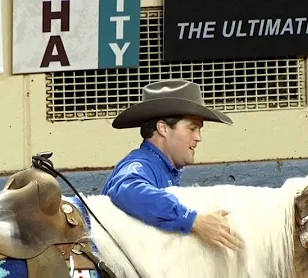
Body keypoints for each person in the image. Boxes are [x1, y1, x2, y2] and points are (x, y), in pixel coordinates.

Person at [102, 79, 244, 251]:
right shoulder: (141, 164)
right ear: (163, 128)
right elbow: (128, 188)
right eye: (192, 128)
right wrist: (194, 220)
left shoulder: (163, 168)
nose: (198, 137)